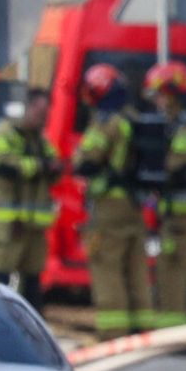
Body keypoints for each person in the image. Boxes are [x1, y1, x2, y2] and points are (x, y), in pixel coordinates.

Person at [71, 64, 151, 338]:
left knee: (108, 268)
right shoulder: (134, 117)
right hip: (133, 205)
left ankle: (113, 333)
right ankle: (143, 331)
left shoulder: (106, 121)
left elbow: (86, 161)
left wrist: (77, 159)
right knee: (136, 270)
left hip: (108, 206)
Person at [144, 61, 186, 328]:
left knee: (173, 274)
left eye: (161, 95)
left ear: (174, 94)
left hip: (180, 218)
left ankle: (172, 332)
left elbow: (175, 169)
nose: (158, 103)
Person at [0, 89, 56, 311]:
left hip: (34, 226)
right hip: (11, 224)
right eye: (39, 110)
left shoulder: (39, 140)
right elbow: (3, 166)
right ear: (26, 107)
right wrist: (39, 166)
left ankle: (33, 324)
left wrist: (50, 167)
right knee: (0, 275)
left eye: (46, 111)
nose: (43, 116)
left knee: (32, 281)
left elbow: (55, 163)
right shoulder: (5, 133)